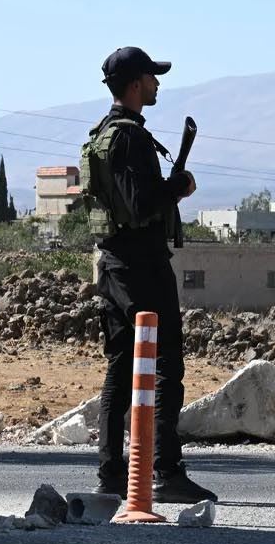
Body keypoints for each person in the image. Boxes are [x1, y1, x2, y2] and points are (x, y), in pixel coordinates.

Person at [82, 46, 216, 503]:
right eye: (152, 78)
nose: (158, 84)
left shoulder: (103, 134)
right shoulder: (129, 139)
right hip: (142, 267)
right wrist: (180, 186)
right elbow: (140, 205)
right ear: (136, 84)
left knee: (121, 368)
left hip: (115, 264)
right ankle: (164, 470)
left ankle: (113, 473)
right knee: (164, 369)